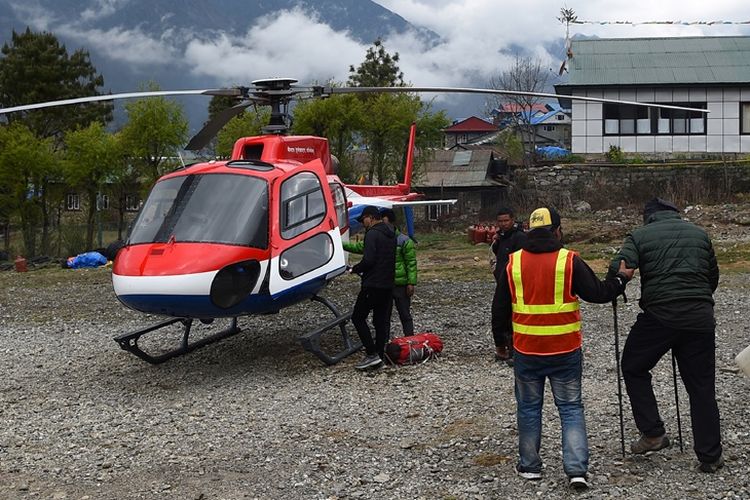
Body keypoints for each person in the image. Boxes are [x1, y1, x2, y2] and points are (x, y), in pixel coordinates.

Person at [495, 206, 631, 490]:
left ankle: (530, 466)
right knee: (570, 409)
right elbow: (598, 293)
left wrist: (501, 342)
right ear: (557, 231)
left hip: (527, 350)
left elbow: (500, 306)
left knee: (529, 409)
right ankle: (576, 470)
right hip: (564, 350)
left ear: (529, 230)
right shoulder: (569, 261)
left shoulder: (513, 262)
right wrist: (620, 280)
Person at [609, 198, 723, 472]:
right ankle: (710, 457)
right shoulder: (699, 233)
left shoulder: (639, 235)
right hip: (699, 317)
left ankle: (652, 433)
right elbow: (713, 276)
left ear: (649, 217)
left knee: (633, 366)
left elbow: (621, 267)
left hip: (660, 316)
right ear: (675, 214)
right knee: (701, 387)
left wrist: (618, 278)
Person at [345, 208, 418, 336]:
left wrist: (411, 282)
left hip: (400, 284)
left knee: (405, 315)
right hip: (386, 283)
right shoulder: (378, 237)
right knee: (384, 318)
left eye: (383, 221)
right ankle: (384, 343)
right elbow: (360, 247)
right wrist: (341, 245)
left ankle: (410, 340)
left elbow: (411, 263)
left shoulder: (404, 240)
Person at [349, 205, 397, 370]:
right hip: (388, 285)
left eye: (363, 220)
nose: (363, 223)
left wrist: (355, 269)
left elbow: (369, 260)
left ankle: (371, 354)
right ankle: (380, 356)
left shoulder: (372, 234)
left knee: (358, 317)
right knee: (380, 321)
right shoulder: (391, 234)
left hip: (372, 284)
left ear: (371, 217)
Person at [490, 207, 527, 364]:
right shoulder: (500, 238)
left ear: (512, 220)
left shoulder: (520, 237)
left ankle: (514, 351)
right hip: (502, 283)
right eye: (500, 221)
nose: (503, 224)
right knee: (498, 316)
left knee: (513, 317)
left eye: (506, 221)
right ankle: (501, 348)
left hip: (515, 284)